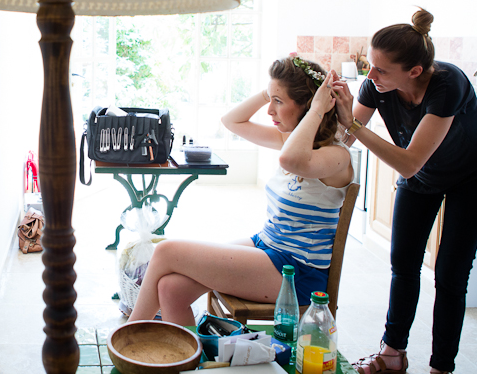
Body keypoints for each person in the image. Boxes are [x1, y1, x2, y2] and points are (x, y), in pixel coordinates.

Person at [330, 9, 477, 374]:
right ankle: (393, 353)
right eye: (370, 66)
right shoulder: (376, 86)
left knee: (450, 273)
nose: (371, 76)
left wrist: (354, 125)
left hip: (475, 178)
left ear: (414, 71)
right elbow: (345, 135)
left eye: (381, 70)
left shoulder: (447, 84)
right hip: (425, 180)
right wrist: (331, 110)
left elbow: (409, 163)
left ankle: (441, 370)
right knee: (403, 265)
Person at [126, 56, 353, 326]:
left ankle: (130, 337)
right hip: (267, 245)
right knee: (171, 288)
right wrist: (269, 92)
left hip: (296, 272)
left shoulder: (336, 156)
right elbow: (231, 121)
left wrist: (318, 109)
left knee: (166, 251)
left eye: (278, 102)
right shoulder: (289, 140)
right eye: (271, 100)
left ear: (308, 106)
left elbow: (291, 160)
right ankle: (187, 361)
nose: (270, 111)